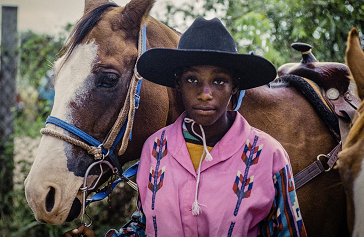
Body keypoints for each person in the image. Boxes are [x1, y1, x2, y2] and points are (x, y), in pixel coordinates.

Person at [65, 17, 307, 237]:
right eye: (192, 80)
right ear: (178, 84)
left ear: (234, 87)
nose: (204, 94)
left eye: (219, 81)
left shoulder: (269, 155)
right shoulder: (155, 149)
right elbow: (144, 225)